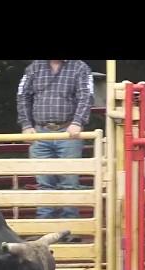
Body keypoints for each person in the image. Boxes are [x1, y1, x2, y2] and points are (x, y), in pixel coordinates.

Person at [17, 60, 94, 224]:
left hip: (68, 132)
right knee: (44, 183)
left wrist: (77, 122)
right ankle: (44, 226)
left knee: (70, 183)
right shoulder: (33, 68)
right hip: (40, 132)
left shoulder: (80, 67)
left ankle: (71, 228)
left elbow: (86, 96)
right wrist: (26, 125)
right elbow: (22, 96)